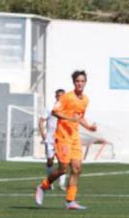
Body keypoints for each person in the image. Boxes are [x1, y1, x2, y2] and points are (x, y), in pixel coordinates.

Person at [34, 70, 98, 210]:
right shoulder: (67, 97)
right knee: (63, 169)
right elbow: (55, 112)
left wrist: (88, 127)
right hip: (62, 136)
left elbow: (79, 117)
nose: (80, 83)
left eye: (82, 81)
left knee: (76, 168)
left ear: (85, 82)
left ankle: (70, 201)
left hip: (74, 136)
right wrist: (70, 119)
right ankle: (42, 187)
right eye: (77, 81)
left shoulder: (85, 99)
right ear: (73, 82)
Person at [38, 88, 67, 191]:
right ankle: (49, 182)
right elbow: (41, 121)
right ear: (56, 96)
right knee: (50, 161)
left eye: (63, 96)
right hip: (50, 139)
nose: (61, 97)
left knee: (62, 162)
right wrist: (43, 135)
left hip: (62, 139)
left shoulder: (67, 109)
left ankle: (62, 184)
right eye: (59, 95)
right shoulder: (50, 107)